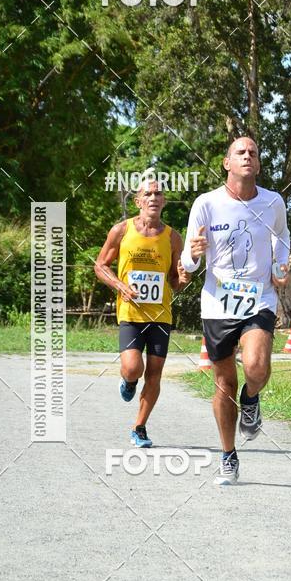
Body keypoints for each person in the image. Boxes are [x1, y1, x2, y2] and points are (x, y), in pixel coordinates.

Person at [180, 136, 290, 485]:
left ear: (257, 165)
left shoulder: (273, 202)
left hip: (259, 298)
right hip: (218, 303)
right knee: (224, 383)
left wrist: (281, 265)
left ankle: (252, 398)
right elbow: (187, 262)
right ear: (227, 163)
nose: (247, 156)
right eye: (240, 152)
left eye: (253, 152)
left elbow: (282, 236)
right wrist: (194, 254)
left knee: (256, 367)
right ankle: (228, 456)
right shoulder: (206, 204)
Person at [94, 178, 189, 447]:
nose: (153, 197)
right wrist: (120, 285)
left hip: (160, 316)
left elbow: (175, 280)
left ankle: (139, 426)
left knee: (155, 374)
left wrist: (183, 278)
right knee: (134, 367)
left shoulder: (173, 237)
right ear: (138, 201)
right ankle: (129, 379)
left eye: (158, 193)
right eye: (148, 193)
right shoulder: (121, 230)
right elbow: (100, 265)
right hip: (131, 314)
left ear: (164, 201)